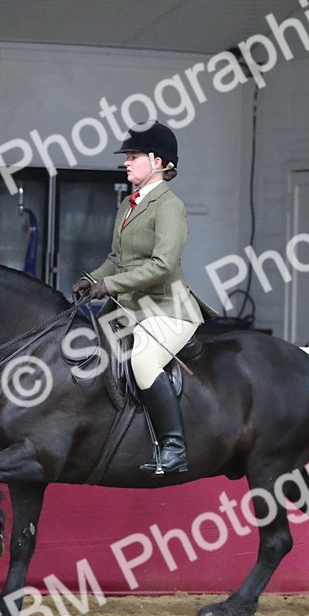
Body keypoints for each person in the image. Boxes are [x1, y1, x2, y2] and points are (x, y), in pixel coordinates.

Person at [72, 121, 214, 476]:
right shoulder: (128, 204)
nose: (127, 163)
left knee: (144, 361)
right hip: (132, 306)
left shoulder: (170, 206)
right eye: (128, 157)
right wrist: (93, 279)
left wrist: (112, 286)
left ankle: (174, 447)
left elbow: (162, 266)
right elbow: (116, 259)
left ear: (158, 161)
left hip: (168, 307)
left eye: (133, 156)